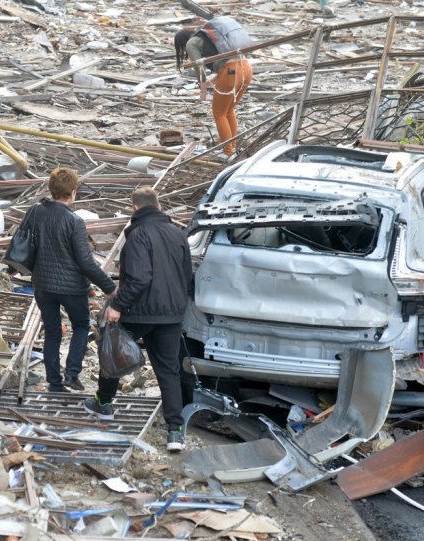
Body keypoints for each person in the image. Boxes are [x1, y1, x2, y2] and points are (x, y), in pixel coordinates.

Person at [84, 188, 193, 452]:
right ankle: (175, 431)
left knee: (112, 350)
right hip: (172, 313)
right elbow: (187, 274)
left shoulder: (137, 235)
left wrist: (117, 306)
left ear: (134, 208)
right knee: (168, 370)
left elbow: (140, 278)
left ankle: (105, 403)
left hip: (142, 311)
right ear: (158, 206)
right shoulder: (179, 235)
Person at [32, 168, 117, 393]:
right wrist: (109, 288)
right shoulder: (74, 221)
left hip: (42, 285)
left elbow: (29, 248)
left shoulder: (36, 212)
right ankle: (71, 373)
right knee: (80, 326)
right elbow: (86, 262)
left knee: (52, 332)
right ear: (73, 192)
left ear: (51, 190)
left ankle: (54, 383)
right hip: (71, 287)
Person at [174, 16, 254, 156]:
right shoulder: (212, 40)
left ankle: (228, 152)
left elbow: (199, 67)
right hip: (246, 68)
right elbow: (225, 66)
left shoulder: (191, 43)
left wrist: (203, 89)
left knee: (219, 113)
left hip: (232, 72)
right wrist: (212, 81)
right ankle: (232, 148)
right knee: (228, 110)